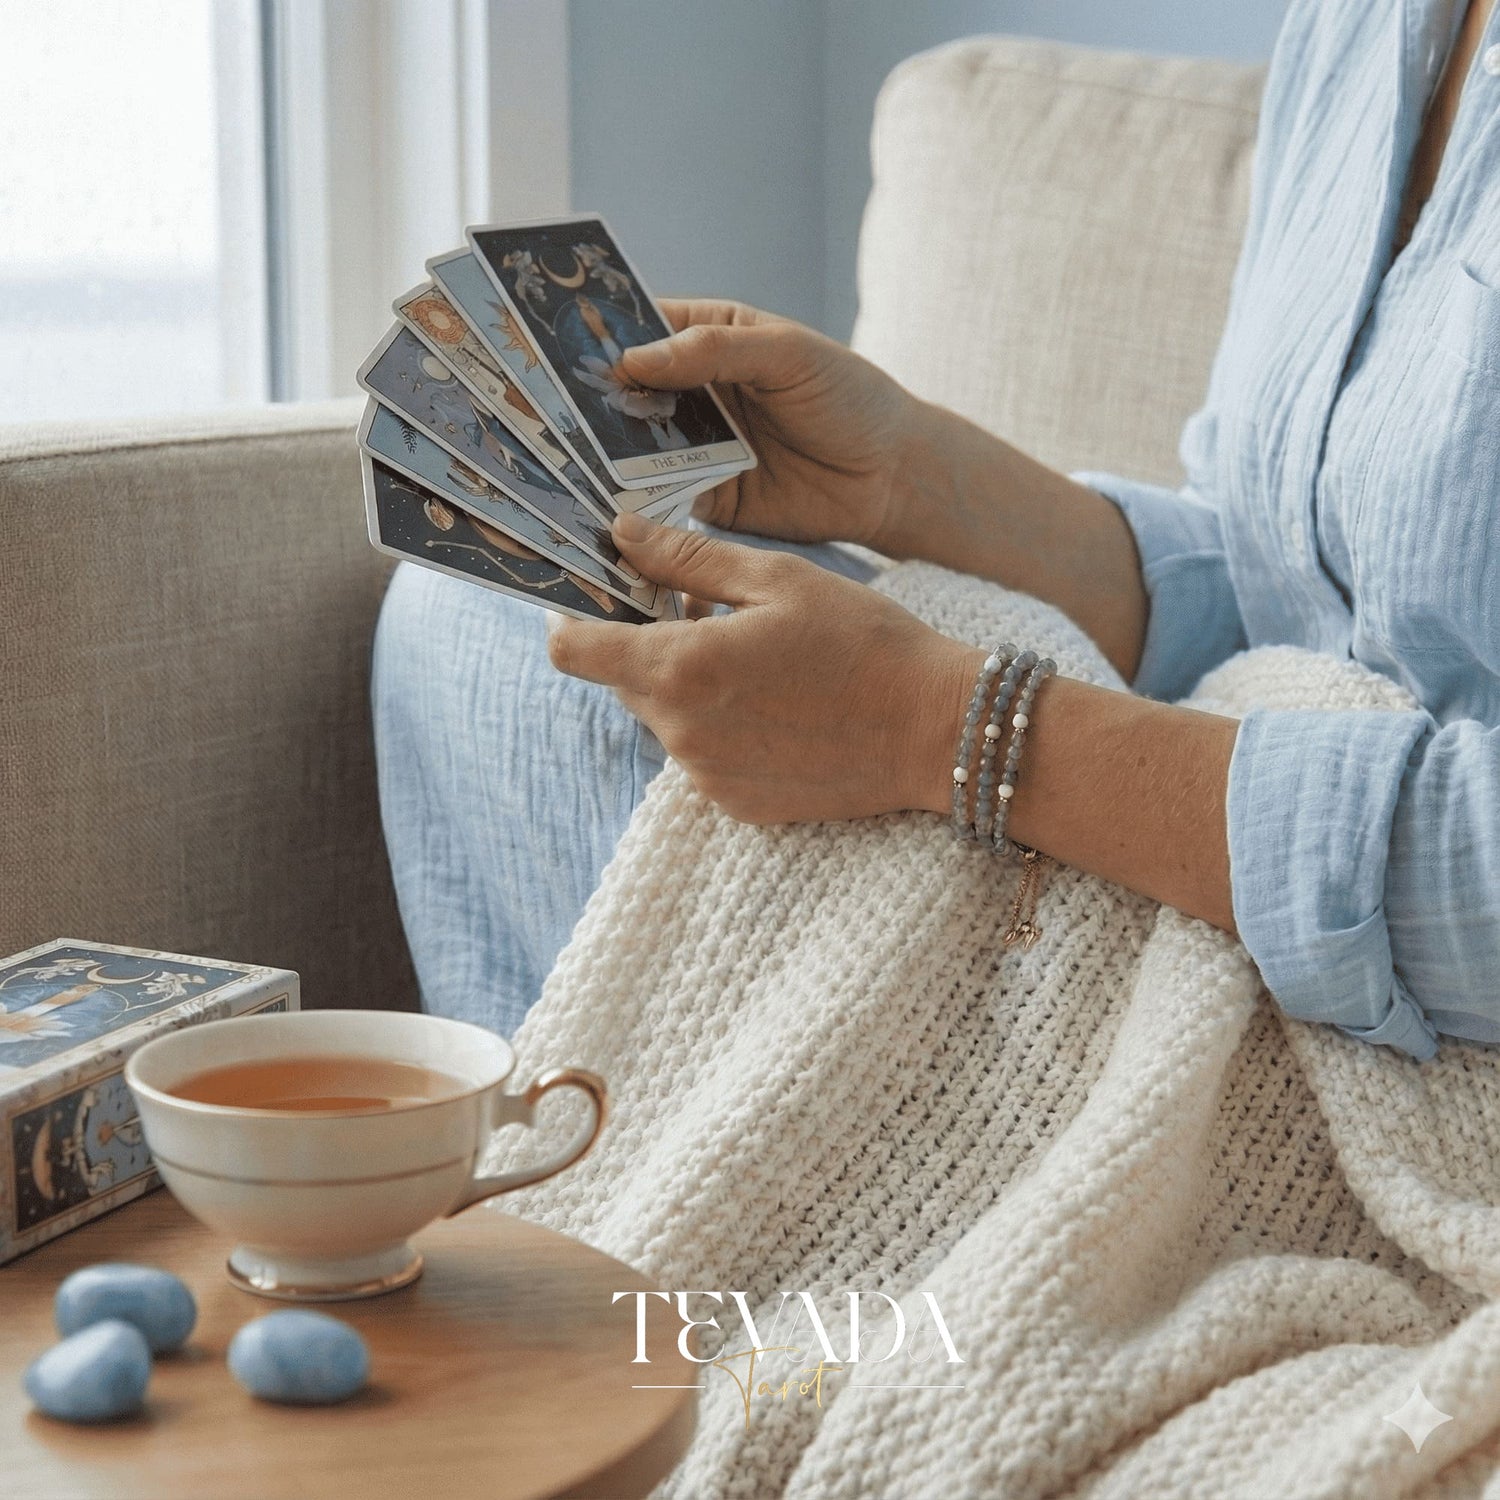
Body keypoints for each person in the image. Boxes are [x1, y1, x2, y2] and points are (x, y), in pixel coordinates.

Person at [373, 0, 1500, 1059]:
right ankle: (555, 1204)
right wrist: (909, 478)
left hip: (1398, 1016)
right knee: (491, 600)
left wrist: (933, 727)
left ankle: (593, 1212)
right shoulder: (1365, 26)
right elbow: (1294, 597)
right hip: (1226, 796)